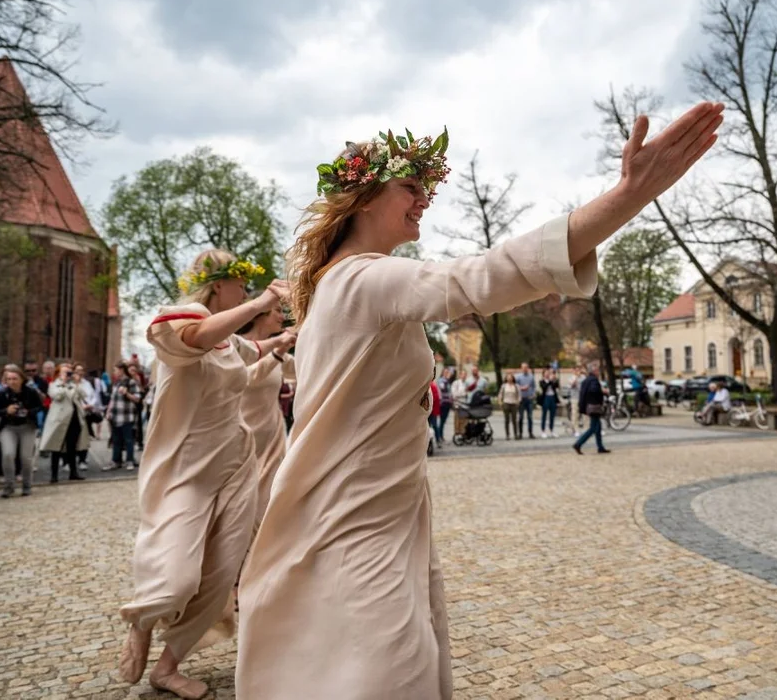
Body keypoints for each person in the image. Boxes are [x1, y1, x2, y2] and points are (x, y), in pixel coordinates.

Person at [238, 102, 721, 699]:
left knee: (382, 664)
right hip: (355, 516)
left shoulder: (341, 285)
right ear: (362, 198)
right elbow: (480, 277)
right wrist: (627, 196)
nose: (424, 199)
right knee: (391, 672)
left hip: (383, 508)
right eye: (410, 186)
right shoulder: (365, 279)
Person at [117, 251, 290, 700]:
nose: (248, 293)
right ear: (219, 286)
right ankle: (142, 620)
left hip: (235, 467)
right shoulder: (181, 320)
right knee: (177, 577)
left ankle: (167, 668)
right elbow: (195, 336)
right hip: (187, 471)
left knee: (220, 576)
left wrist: (292, 333)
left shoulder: (229, 342)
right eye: (241, 285)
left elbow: (254, 349)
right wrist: (259, 305)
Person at [237, 302, 298, 525]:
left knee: (270, 502)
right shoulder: (239, 347)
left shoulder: (283, 357)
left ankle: (263, 556)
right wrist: (278, 351)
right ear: (260, 315)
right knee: (243, 506)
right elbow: (246, 378)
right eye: (278, 311)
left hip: (272, 438)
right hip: (243, 437)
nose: (283, 317)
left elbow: (306, 371)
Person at [0, 365, 43, 498]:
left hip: (27, 426)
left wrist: (28, 412)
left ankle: (27, 485)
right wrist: (6, 410)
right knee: (8, 454)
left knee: (26, 457)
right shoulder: (3, 393)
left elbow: (39, 407)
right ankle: (9, 485)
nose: (12, 382)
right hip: (9, 426)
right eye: (9, 379)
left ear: (21, 379)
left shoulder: (31, 392)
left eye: (15, 378)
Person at [38, 364, 89, 483]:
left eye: (70, 372)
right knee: (56, 447)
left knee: (72, 447)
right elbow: (57, 396)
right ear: (59, 374)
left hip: (74, 419)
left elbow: (83, 395)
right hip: (59, 420)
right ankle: (54, 475)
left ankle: (73, 472)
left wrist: (76, 383)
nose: (68, 375)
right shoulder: (53, 385)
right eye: (66, 372)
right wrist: (64, 383)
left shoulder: (74, 385)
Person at [104, 362, 143, 471]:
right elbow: (112, 399)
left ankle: (129, 460)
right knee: (116, 440)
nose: (114, 372)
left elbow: (137, 398)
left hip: (127, 416)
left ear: (121, 370)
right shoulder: (116, 383)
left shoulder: (131, 382)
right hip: (115, 416)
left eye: (115, 370)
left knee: (128, 440)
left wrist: (126, 393)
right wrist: (108, 411)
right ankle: (116, 461)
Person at [573, 364, 610, 455]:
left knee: (598, 426)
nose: (598, 372)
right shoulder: (594, 380)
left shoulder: (586, 380)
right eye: (597, 370)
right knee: (593, 428)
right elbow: (594, 390)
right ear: (593, 371)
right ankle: (578, 443)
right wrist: (603, 391)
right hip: (594, 406)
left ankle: (600, 447)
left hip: (588, 406)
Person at [515, 362, 536, 439]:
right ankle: (520, 433)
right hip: (521, 399)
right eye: (523, 367)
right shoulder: (518, 377)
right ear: (521, 368)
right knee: (521, 417)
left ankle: (530, 432)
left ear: (528, 368)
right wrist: (521, 388)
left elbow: (534, 386)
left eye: (526, 367)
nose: (525, 369)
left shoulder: (531, 377)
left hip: (529, 398)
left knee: (530, 417)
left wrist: (533, 394)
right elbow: (515, 387)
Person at [498, 372, 521, 440]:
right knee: (507, 420)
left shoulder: (516, 386)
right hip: (506, 403)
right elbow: (500, 394)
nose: (509, 379)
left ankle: (515, 434)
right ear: (506, 379)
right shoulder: (504, 386)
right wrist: (500, 401)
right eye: (508, 377)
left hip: (514, 403)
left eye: (511, 377)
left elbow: (519, 395)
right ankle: (507, 435)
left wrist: (518, 401)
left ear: (513, 378)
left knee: (514, 420)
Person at [539, 369, 560, 438]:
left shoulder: (552, 381)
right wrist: (550, 381)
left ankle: (551, 430)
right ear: (543, 374)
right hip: (546, 398)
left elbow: (556, 386)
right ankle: (543, 430)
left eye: (549, 373)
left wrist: (554, 379)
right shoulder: (542, 381)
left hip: (552, 397)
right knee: (544, 415)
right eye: (546, 373)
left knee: (552, 415)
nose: (548, 374)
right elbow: (544, 387)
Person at [435, 368, 453, 447]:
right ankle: (439, 437)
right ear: (442, 373)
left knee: (443, 421)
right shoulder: (442, 380)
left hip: (448, 403)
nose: (447, 373)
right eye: (446, 372)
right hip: (443, 403)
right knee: (442, 421)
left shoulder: (446, 381)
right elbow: (443, 388)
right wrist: (447, 379)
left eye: (448, 372)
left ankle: (441, 436)